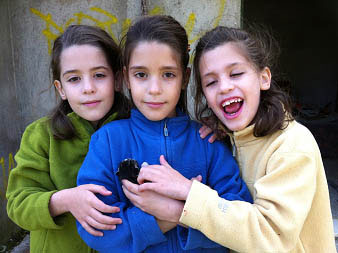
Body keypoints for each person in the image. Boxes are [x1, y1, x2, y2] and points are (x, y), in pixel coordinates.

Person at [124, 25, 337, 252]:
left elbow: (271, 237)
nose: (224, 87)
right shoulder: (230, 138)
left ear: (264, 78)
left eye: (236, 74)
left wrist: (185, 197)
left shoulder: (291, 145)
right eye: (211, 82)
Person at [76, 15, 252, 253]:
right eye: (141, 75)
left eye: (168, 74)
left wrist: (176, 209)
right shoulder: (108, 141)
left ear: (185, 77)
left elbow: (238, 222)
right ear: (126, 77)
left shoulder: (209, 140)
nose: (154, 89)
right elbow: (96, 231)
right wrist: (161, 219)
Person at [6, 25, 129, 253]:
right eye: (74, 79)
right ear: (60, 88)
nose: (88, 88)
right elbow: (18, 204)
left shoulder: (135, 130)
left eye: (99, 75)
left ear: (118, 79)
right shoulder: (41, 136)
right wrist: (65, 200)